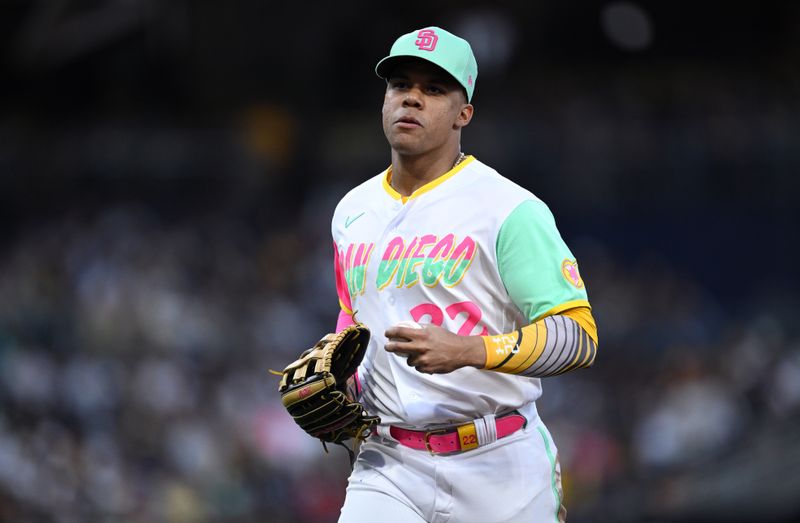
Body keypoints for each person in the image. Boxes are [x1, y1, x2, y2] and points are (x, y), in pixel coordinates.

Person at [331, 26, 599, 523]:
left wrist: (469, 351)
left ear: (463, 114)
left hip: (500, 462)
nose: (412, 97)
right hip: (388, 463)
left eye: (434, 89)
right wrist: (339, 373)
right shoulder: (352, 210)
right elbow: (353, 315)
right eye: (400, 84)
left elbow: (579, 337)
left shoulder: (509, 209)